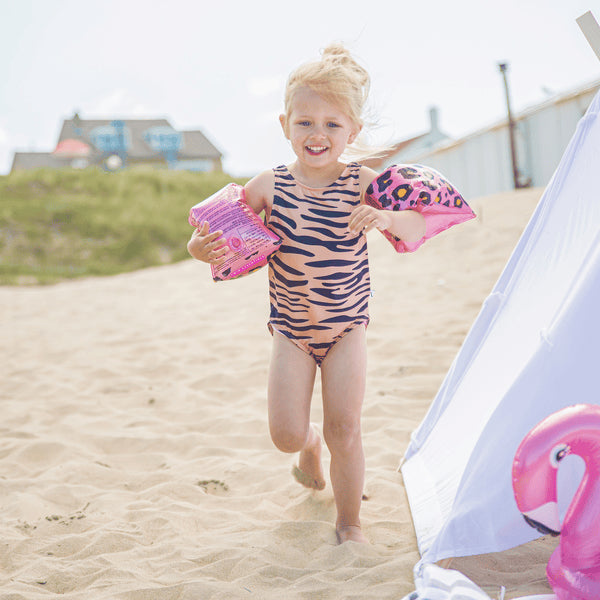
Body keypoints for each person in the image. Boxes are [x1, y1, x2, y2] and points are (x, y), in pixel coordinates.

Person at [188, 44, 426, 544]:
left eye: (332, 125)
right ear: (285, 125)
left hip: (345, 330)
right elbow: (210, 235)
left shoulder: (363, 182)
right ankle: (308, 446)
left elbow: (414, 221)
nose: (318, 135)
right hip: (292, 332)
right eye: (305, 123)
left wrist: (384, 217)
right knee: (286, 435)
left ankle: (349, 524)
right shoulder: (269, 185)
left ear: (352, 132)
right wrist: (200, 248)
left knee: (346, 429)